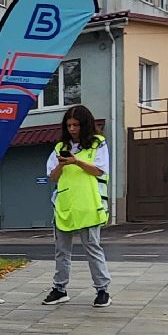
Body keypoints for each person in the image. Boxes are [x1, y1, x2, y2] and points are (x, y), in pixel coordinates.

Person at [43, 103, 111, 308]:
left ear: (85, 125)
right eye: (69, 125)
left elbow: (100, 170)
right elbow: (52, 177)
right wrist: (62, 164)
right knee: (61, 251)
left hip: (89, 204)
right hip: (65, 205)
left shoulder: (98, 144)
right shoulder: (59, 147)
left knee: (93, 249)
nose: (72, 129)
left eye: (76, 125)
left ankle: (102, 290)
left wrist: (76, 161)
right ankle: (59, 289)